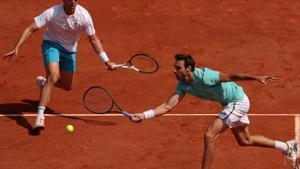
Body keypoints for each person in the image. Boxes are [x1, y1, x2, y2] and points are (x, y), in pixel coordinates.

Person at [130, 54, 298, 169]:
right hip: (230, 103)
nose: (174, 71)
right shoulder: (183, 85)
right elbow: (167, 106)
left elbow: (231, 76)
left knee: (209, 135)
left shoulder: (205, 76)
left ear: (189, 69)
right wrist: (143, 115)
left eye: (178, 68)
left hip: (237, 101)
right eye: (175, 68)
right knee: (245, 140)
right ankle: (288, 147)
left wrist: (255, 77)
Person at [3, 0, 116, 132]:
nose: (73, 2)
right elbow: (31, 28)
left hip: (70, 50)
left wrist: (106, 60)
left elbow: (93, 38)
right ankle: (39, 117)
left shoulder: (84, 15)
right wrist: (17, 47)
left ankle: (45, 84)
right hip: (52, 45)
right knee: (54, 76)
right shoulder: (52, 12)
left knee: (66, 86)